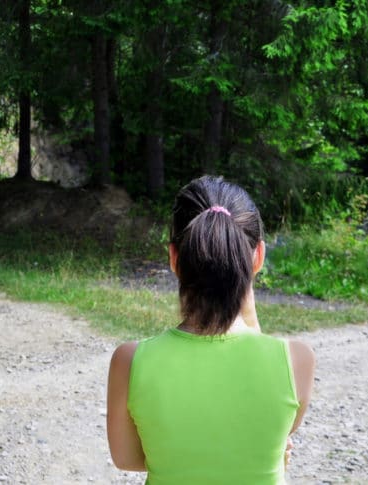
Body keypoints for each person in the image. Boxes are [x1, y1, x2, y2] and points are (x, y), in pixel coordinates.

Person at [107, 175, 315, 484]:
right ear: (257, 257)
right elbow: (269, 440)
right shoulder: (296, 360)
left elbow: (126, 458)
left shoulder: (130, 361)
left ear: (174, 257)